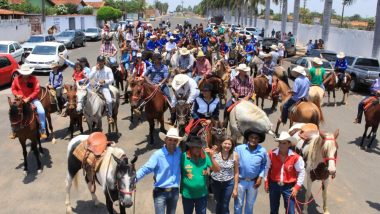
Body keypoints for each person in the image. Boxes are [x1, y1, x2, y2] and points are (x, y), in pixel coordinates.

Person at [136, 127, 182, 214]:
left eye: (175, 140)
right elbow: (145, 169)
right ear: (165, 140)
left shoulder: (178, 152)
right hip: (160, 193)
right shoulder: (158, 155)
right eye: (170, 140)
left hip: (174, 192)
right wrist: (133, 179)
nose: (172, 142)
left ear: (177, 142)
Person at [265, 131, 305, 214]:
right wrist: (266, 183)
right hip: (274, 185)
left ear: (289, 144)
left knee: (290, 211)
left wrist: (296, 187)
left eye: (284, 143)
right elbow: (267, 168)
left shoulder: (296, 157)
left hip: (289, 187)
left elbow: (301, 172)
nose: (281, 145)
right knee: (273, 210)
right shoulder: (271, 154)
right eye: (280, 143)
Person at [180, 136, 221, 214]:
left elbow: (217, 170)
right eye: (195, 147)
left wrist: (211, 157)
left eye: (199, 147)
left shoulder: (205, 156)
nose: (198, 149)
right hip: (187, 195)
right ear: (190, 147)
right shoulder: (183, 156)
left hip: (202, 195)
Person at [234, 129, 268, 214]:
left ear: (259, 140)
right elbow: (233, 164)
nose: (253, 140)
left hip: (253, 182)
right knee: (238, 204)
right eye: (251, 137)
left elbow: (264, 165)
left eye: (256, 138)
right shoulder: (239, 149)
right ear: (248, 138)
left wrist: (260, 177)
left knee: (250, 204)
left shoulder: (262, 151)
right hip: (240, 181)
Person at [10, 65, 47, 139]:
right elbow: (13, 89)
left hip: (32, 99)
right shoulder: (16, 79)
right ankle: (14, 131)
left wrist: (29, 98)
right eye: (24, 73)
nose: (26, 75)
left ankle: (42, 130)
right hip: (20, 100)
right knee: (13, 111)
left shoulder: (34, 79)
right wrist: (17, 95)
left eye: (27, 73)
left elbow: (37, 90)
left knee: (41, 112)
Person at [211, 137, 239, 214]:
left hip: (228, 183)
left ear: (232, 145)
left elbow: (236, 172)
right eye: (225, 143)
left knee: (225, 205)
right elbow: (211, 168)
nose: (227, 145)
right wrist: (211, 156)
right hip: (216, 182)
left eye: (229, 144)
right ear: (221, 144)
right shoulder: (215, 153)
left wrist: (235, 188)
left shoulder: (235, 155)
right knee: (218, 203)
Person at [88, 55, 115, 124]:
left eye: (101, 62)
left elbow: (112, 79)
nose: (100, 63)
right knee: (85, 97)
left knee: (109, 100)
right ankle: (86, 114)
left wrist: (105, 81)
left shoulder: (108, 69)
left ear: (104, 62)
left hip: (104, 87)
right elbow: (89, 77)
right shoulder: (94, 68)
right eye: (99, 62)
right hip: (95, 87)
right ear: (97, 62)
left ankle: (110, 116)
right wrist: (95, 70)